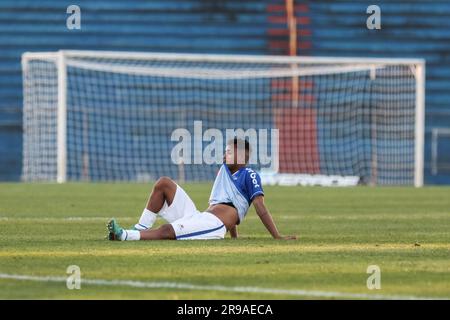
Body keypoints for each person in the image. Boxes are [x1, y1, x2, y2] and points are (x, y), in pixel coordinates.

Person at [107, 138, 296, 241]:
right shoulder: (223, 171)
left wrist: (277, 236)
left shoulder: (250, 174)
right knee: (163, 183)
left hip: (213, 225)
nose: (224, 154)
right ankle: (139, 227)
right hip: (200, 216)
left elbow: (259, 207)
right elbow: (225, 201)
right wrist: (234, 237)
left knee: (167, 231)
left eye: (228, 152)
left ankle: (124, 235)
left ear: (240, 155)